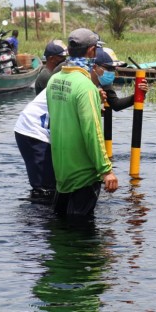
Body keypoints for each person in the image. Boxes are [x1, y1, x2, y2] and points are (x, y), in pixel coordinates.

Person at [46, 28, 118, 220]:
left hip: (62, 174)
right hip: (83, 177)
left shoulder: (54, 80)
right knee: (81, 234)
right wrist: (106, 170)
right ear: (92, 51)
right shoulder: (86, 87)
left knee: (62, 228)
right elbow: (92, 132)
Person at [14, 90, 55, 203]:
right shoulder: (80, 85)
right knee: (44, 188)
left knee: (50, 183)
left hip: (38, 129)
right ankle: (37, 217)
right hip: (33, 130)